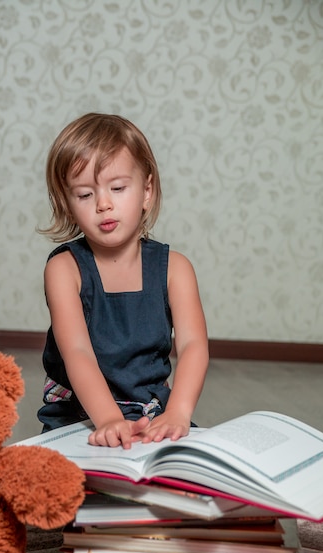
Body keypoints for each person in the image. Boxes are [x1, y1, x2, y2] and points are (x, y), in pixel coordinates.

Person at [37, 112, 209, 449]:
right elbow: (77, 353)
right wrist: (109, 420)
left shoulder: (175, 268)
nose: (103, 204)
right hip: (80, 415)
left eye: (117, 188)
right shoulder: (65, 269)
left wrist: (179, 412)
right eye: (85, 195)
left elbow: (193, 347)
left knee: (189, 479)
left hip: (152, 411)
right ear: (68, 205)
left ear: (146, 191)